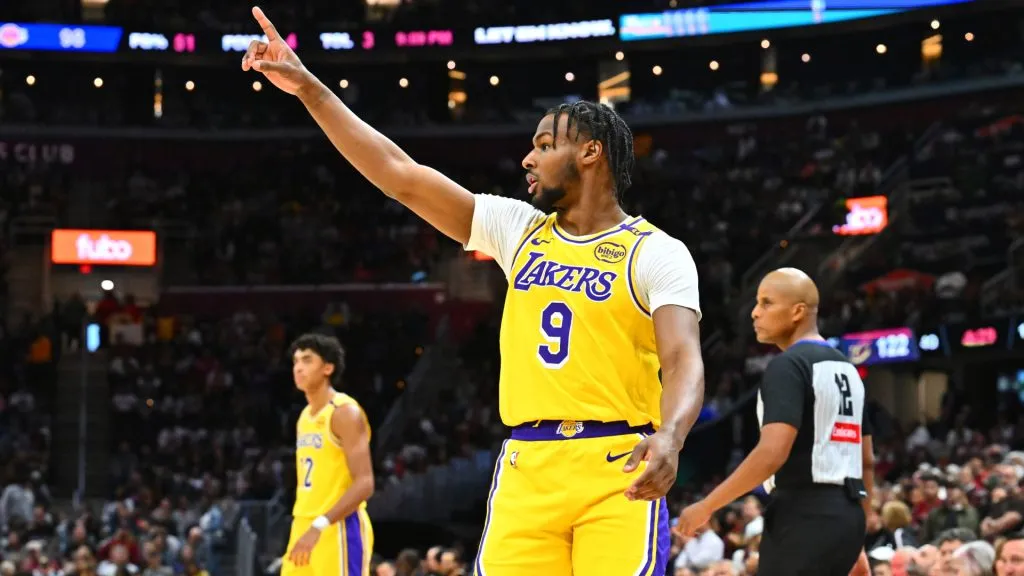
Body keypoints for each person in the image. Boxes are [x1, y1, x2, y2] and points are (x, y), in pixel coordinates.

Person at [241, 8, 706, 574]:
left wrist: (673, 434)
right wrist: (309, 90)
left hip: (617, 462)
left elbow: (683, 359)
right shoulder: (518, 228)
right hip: (526, 463)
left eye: (542, 144)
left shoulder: (656, 250)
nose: (526, 158)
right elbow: (400, 174)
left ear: (590, 153)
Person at [677, 268, 867, 575]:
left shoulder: (788, 365)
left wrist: (707, 505)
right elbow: (865, 462)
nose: (754, 313)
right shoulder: (847, 369)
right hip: (847, 516)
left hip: (804, 514)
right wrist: (858, 539)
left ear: (797, 312)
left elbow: (772, 454)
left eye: (766, 303)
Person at [284, 333, 375, 576]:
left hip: (337, 526)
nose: (298, 368)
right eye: (295, 362)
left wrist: (319, 525)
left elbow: (365, 483)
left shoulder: (345, 412)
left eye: (307, 360)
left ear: (327, 368)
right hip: (303, 523)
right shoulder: (304, 417)